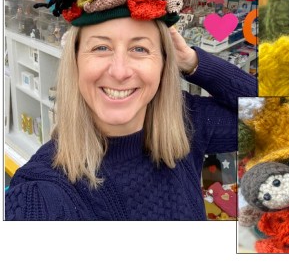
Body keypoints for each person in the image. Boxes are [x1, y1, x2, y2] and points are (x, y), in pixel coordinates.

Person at [5, 15, 256, 220]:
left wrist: (194, 62)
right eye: (101, 47)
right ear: (76, 62)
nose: (120, 71)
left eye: (140, 48)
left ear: (164, 64)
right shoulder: (40, 191)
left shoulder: (187, 121)